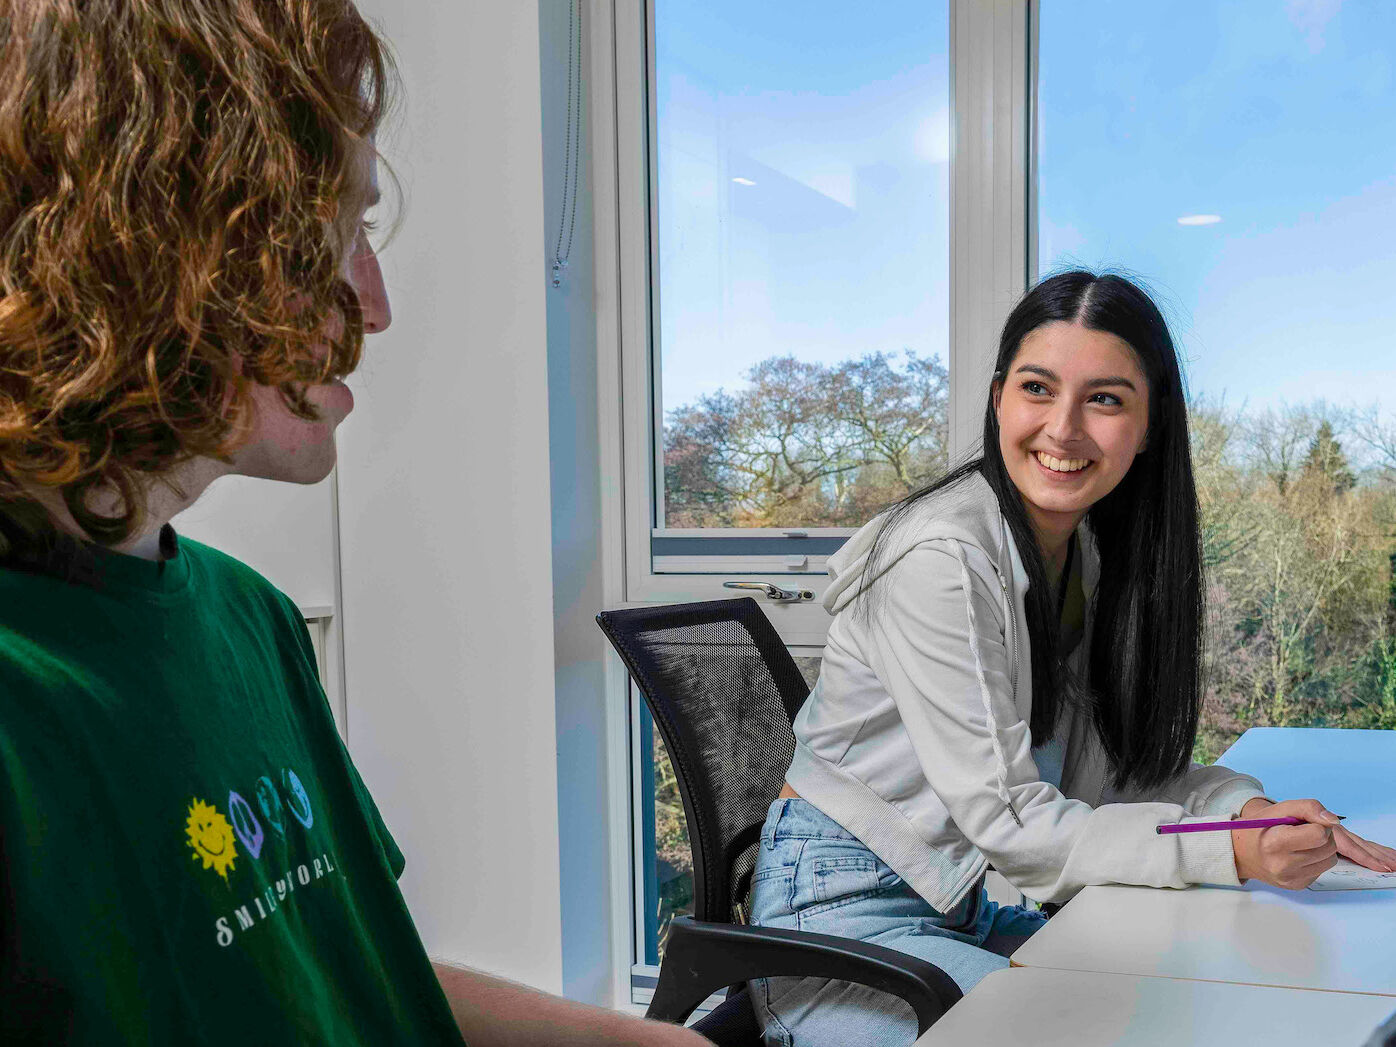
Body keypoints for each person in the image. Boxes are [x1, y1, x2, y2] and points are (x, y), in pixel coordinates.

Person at [0, 1, 705, 1044]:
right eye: (329, 235)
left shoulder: (249, 619)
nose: (372, 305)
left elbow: (338, 961)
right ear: (143, 243)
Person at [747, 271, 1396, 1047]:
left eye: (1106, 398)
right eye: (1037, 387)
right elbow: (1015, 824)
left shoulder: (1078, 555)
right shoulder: (941, 556)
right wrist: (1234, 851)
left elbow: (1114, 775)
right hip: (835, 924)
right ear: (998, 400)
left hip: (955, 908)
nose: (1063, 428)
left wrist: (1247, 812)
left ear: (1151, 424)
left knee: (1185, 1007)